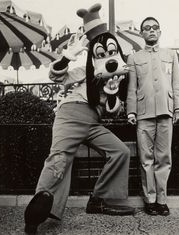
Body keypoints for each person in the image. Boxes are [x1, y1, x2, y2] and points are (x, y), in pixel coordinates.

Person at [24, 4, 134, 234]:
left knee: (120, 152)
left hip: (93, 123)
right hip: (72, 114)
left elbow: (114, 110)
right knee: (59, 157)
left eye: (111, 52)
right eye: (102, 53)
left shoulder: (116, 76)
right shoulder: (86, 71)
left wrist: (113, 93)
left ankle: (99, 200)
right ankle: (37, 212)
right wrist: (66, 57)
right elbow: (57, 77)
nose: (107, 57)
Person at [126, 17, 179, 216]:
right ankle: (150, 199)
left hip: (166, 111)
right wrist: (131, 111)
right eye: (147, 28)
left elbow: (177, 83)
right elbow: (132, 87)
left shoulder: (171, 55)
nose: (151, 31)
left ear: (160, 32)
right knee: (146, 159)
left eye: (155, 28)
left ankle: (162, 200)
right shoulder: (134, 58)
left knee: (164, 157)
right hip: (143, 113)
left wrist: (178, 109)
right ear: (142, 33)